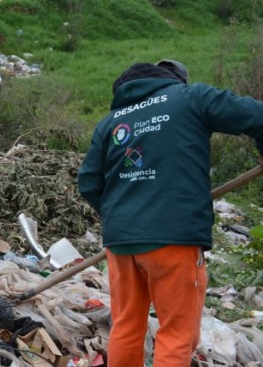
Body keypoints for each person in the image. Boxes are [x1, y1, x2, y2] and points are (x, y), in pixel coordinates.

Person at [78, 60, 263, 367]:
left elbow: (88, 181)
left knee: (125, 327)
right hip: (173, 240)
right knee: (176, 334)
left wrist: (121, 214)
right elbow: (257, 115)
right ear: (175, 80)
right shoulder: (192, 97)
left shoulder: (111, 121)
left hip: (122, 244)